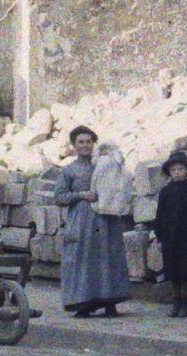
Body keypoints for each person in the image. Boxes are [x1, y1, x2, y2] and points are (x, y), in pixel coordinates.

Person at [51, 126, 132, 318]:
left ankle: (110, 302)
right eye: (80, 142)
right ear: (74, 145)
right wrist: (80, 195)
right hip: (82, 219)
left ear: (94, 143)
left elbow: (121, 180)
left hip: (106, 218)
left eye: (88, 141)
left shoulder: (104, 164)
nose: (85, 145)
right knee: (83, 258)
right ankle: (84, 303)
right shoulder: (69, 170)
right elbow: (59, 197)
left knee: (107, 256)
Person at [152, 150, 187, 318]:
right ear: (169, 172)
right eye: (173, 170)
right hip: (171, 238)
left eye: (180, 169)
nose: (177, 172)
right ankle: (176, 301)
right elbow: (160, 215)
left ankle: (185, 302)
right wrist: (160, 237)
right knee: (173, 271)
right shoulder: (166, 191)